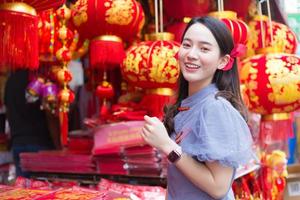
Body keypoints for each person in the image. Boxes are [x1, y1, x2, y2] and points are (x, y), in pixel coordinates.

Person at [141, 16, 255, 199]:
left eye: (204, 49)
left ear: (223, 61)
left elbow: (218, 187)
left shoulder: (215, 108)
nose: (191, 54)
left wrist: (166, 145)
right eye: (187, 45)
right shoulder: (188, 105)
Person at [4, 69, 57, 178]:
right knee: (42, 189)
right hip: (40, 144)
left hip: (18, 142)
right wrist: (58, 145)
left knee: (24, 190)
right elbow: (50, 115)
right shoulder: (42, 78)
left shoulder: (11, 80)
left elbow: (8, 111)